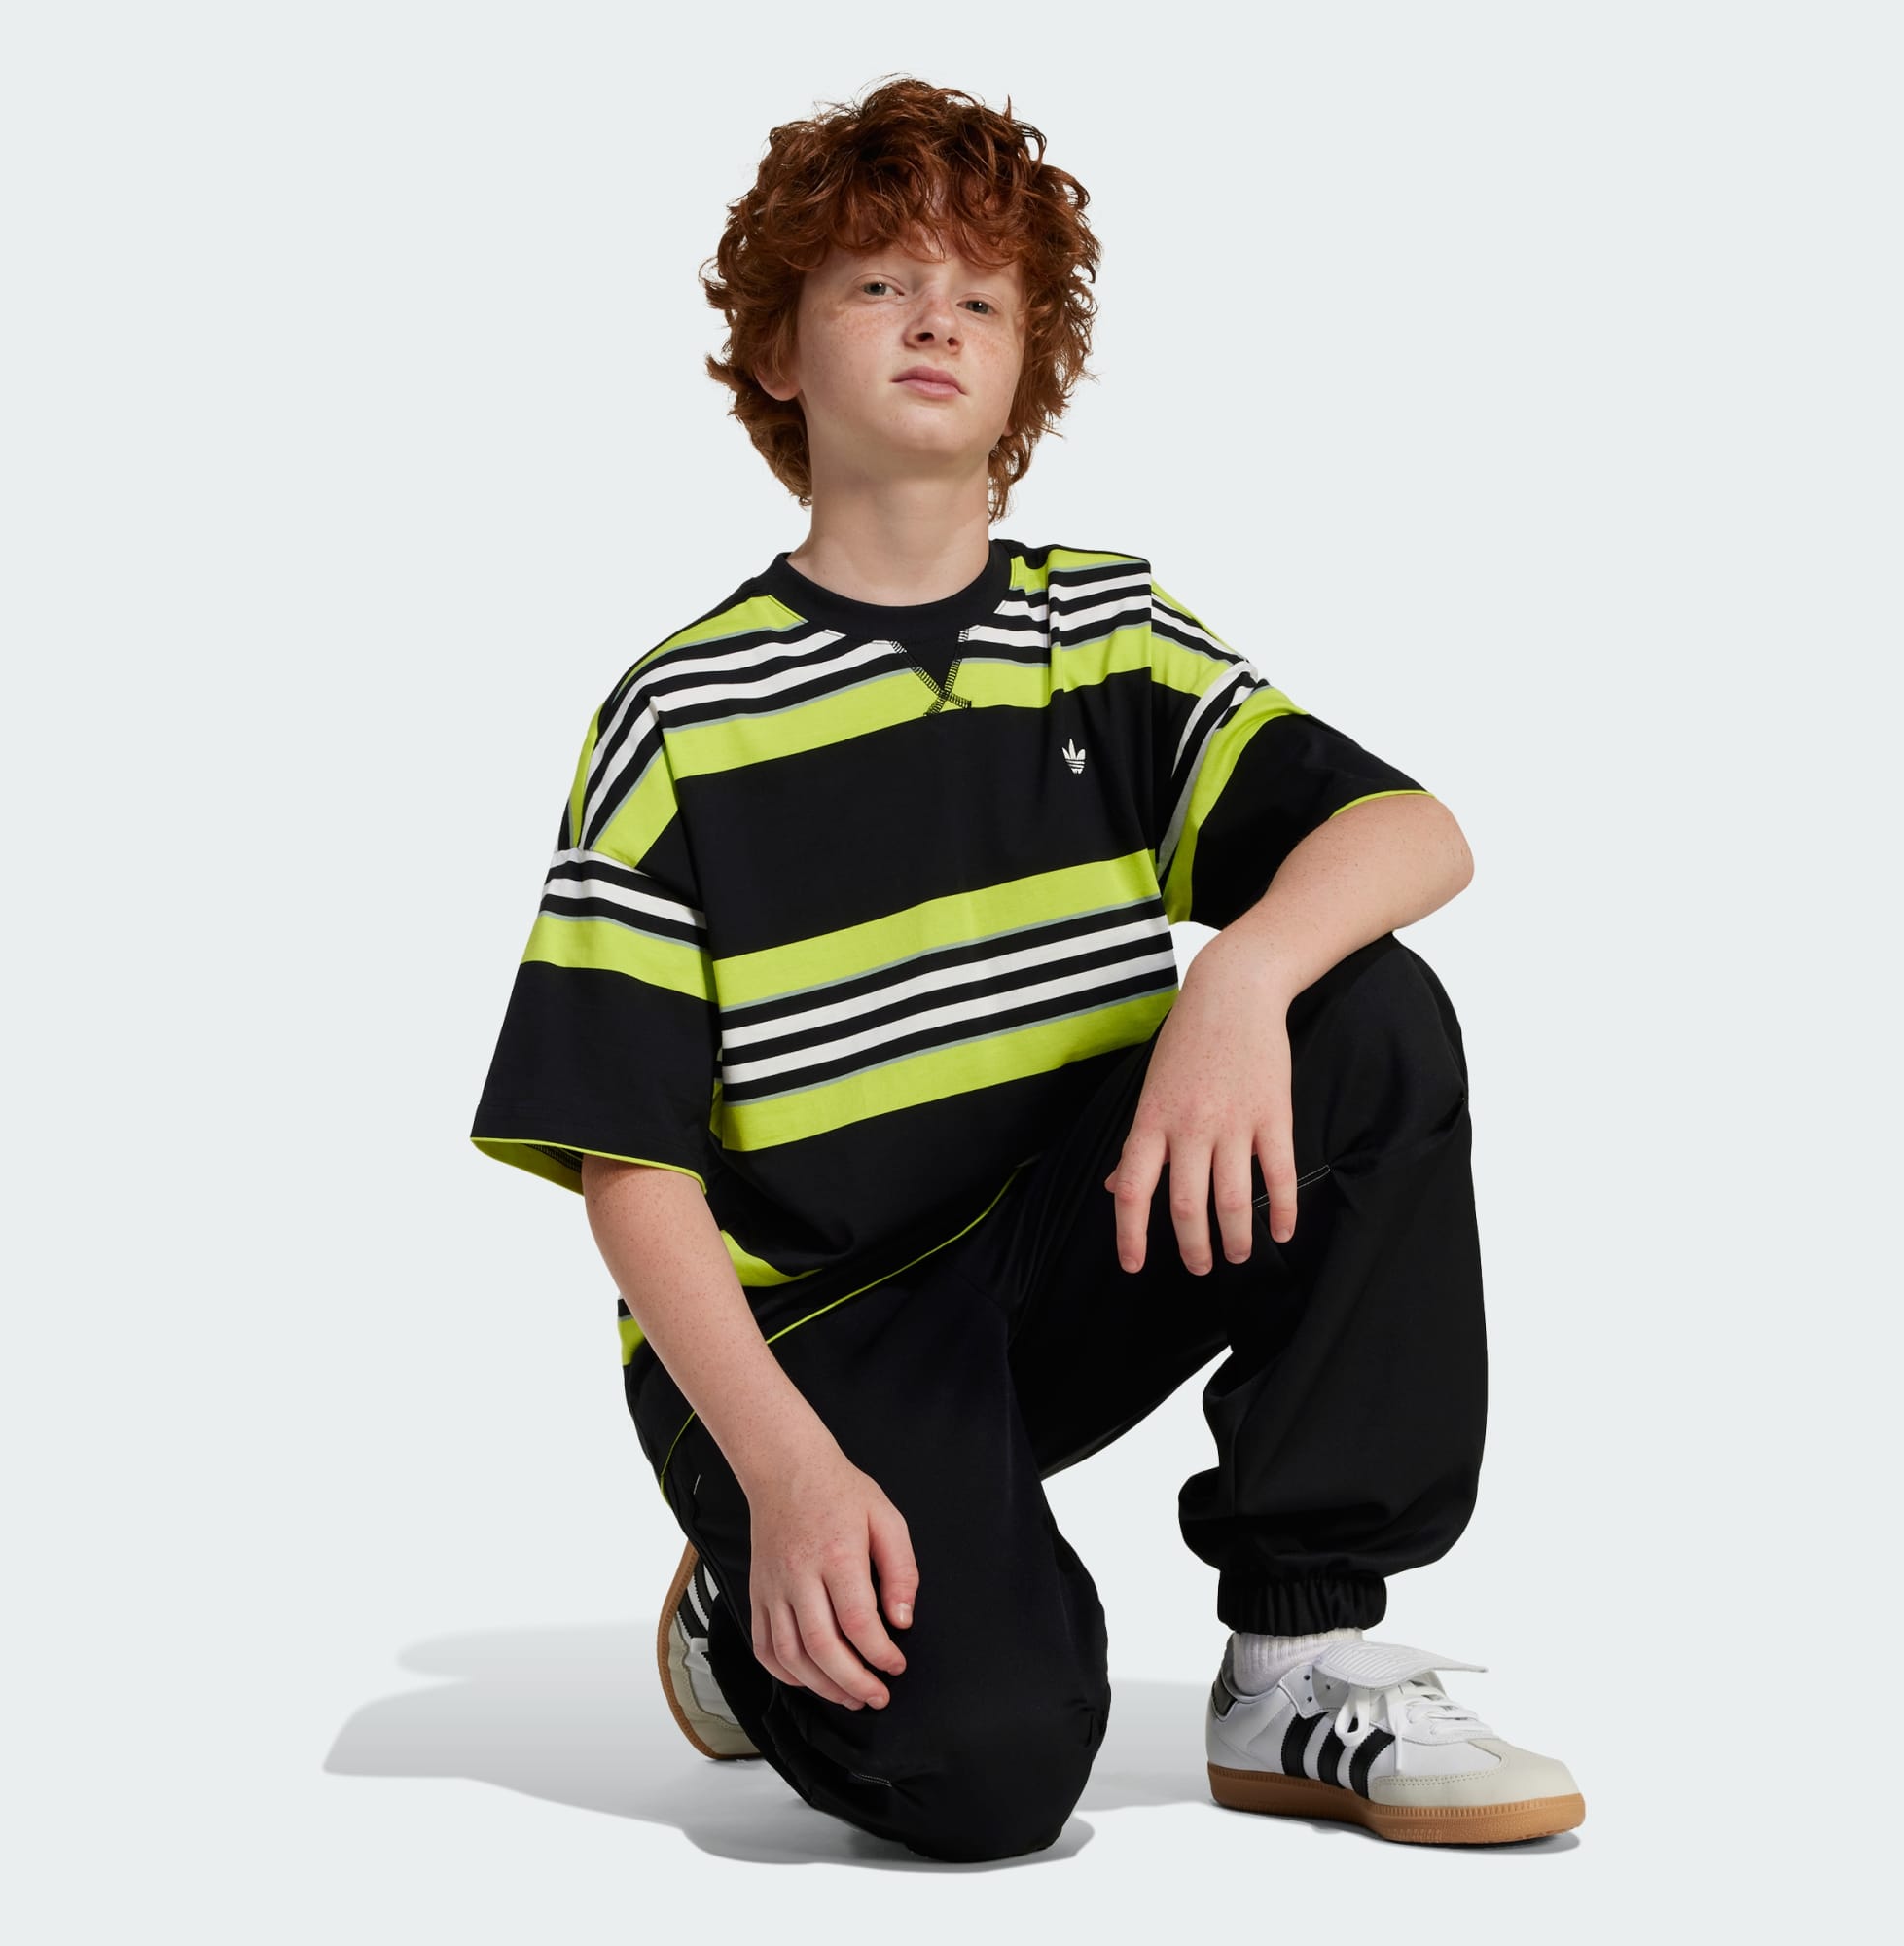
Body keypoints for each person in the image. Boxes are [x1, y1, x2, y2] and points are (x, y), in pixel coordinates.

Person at [469, 76, 1584, 1861]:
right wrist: (783, 1469)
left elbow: (1413, 833)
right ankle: (740, 1599)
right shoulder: (681, 714)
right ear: (780, 353)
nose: (934, 320)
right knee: (989, 1778)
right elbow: (629, 1166)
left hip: (1062, 1248)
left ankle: (1298, 1663)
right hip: (808, 1340)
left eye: (979, 298)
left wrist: (1235, 983)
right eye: (877, 284)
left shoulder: (1104, 634)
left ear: (1025, 370)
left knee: (1364, 1015)